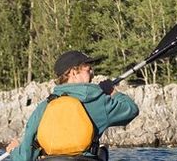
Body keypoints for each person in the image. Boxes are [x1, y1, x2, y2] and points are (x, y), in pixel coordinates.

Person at [8, 50, 139, 161]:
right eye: (88, 69)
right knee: (102, 152)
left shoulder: (44, 107)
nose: (92, 72)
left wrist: (14, 150)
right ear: (73, 72)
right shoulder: (99, 102)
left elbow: (24, 157)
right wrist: (112, 91)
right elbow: (131, 110)